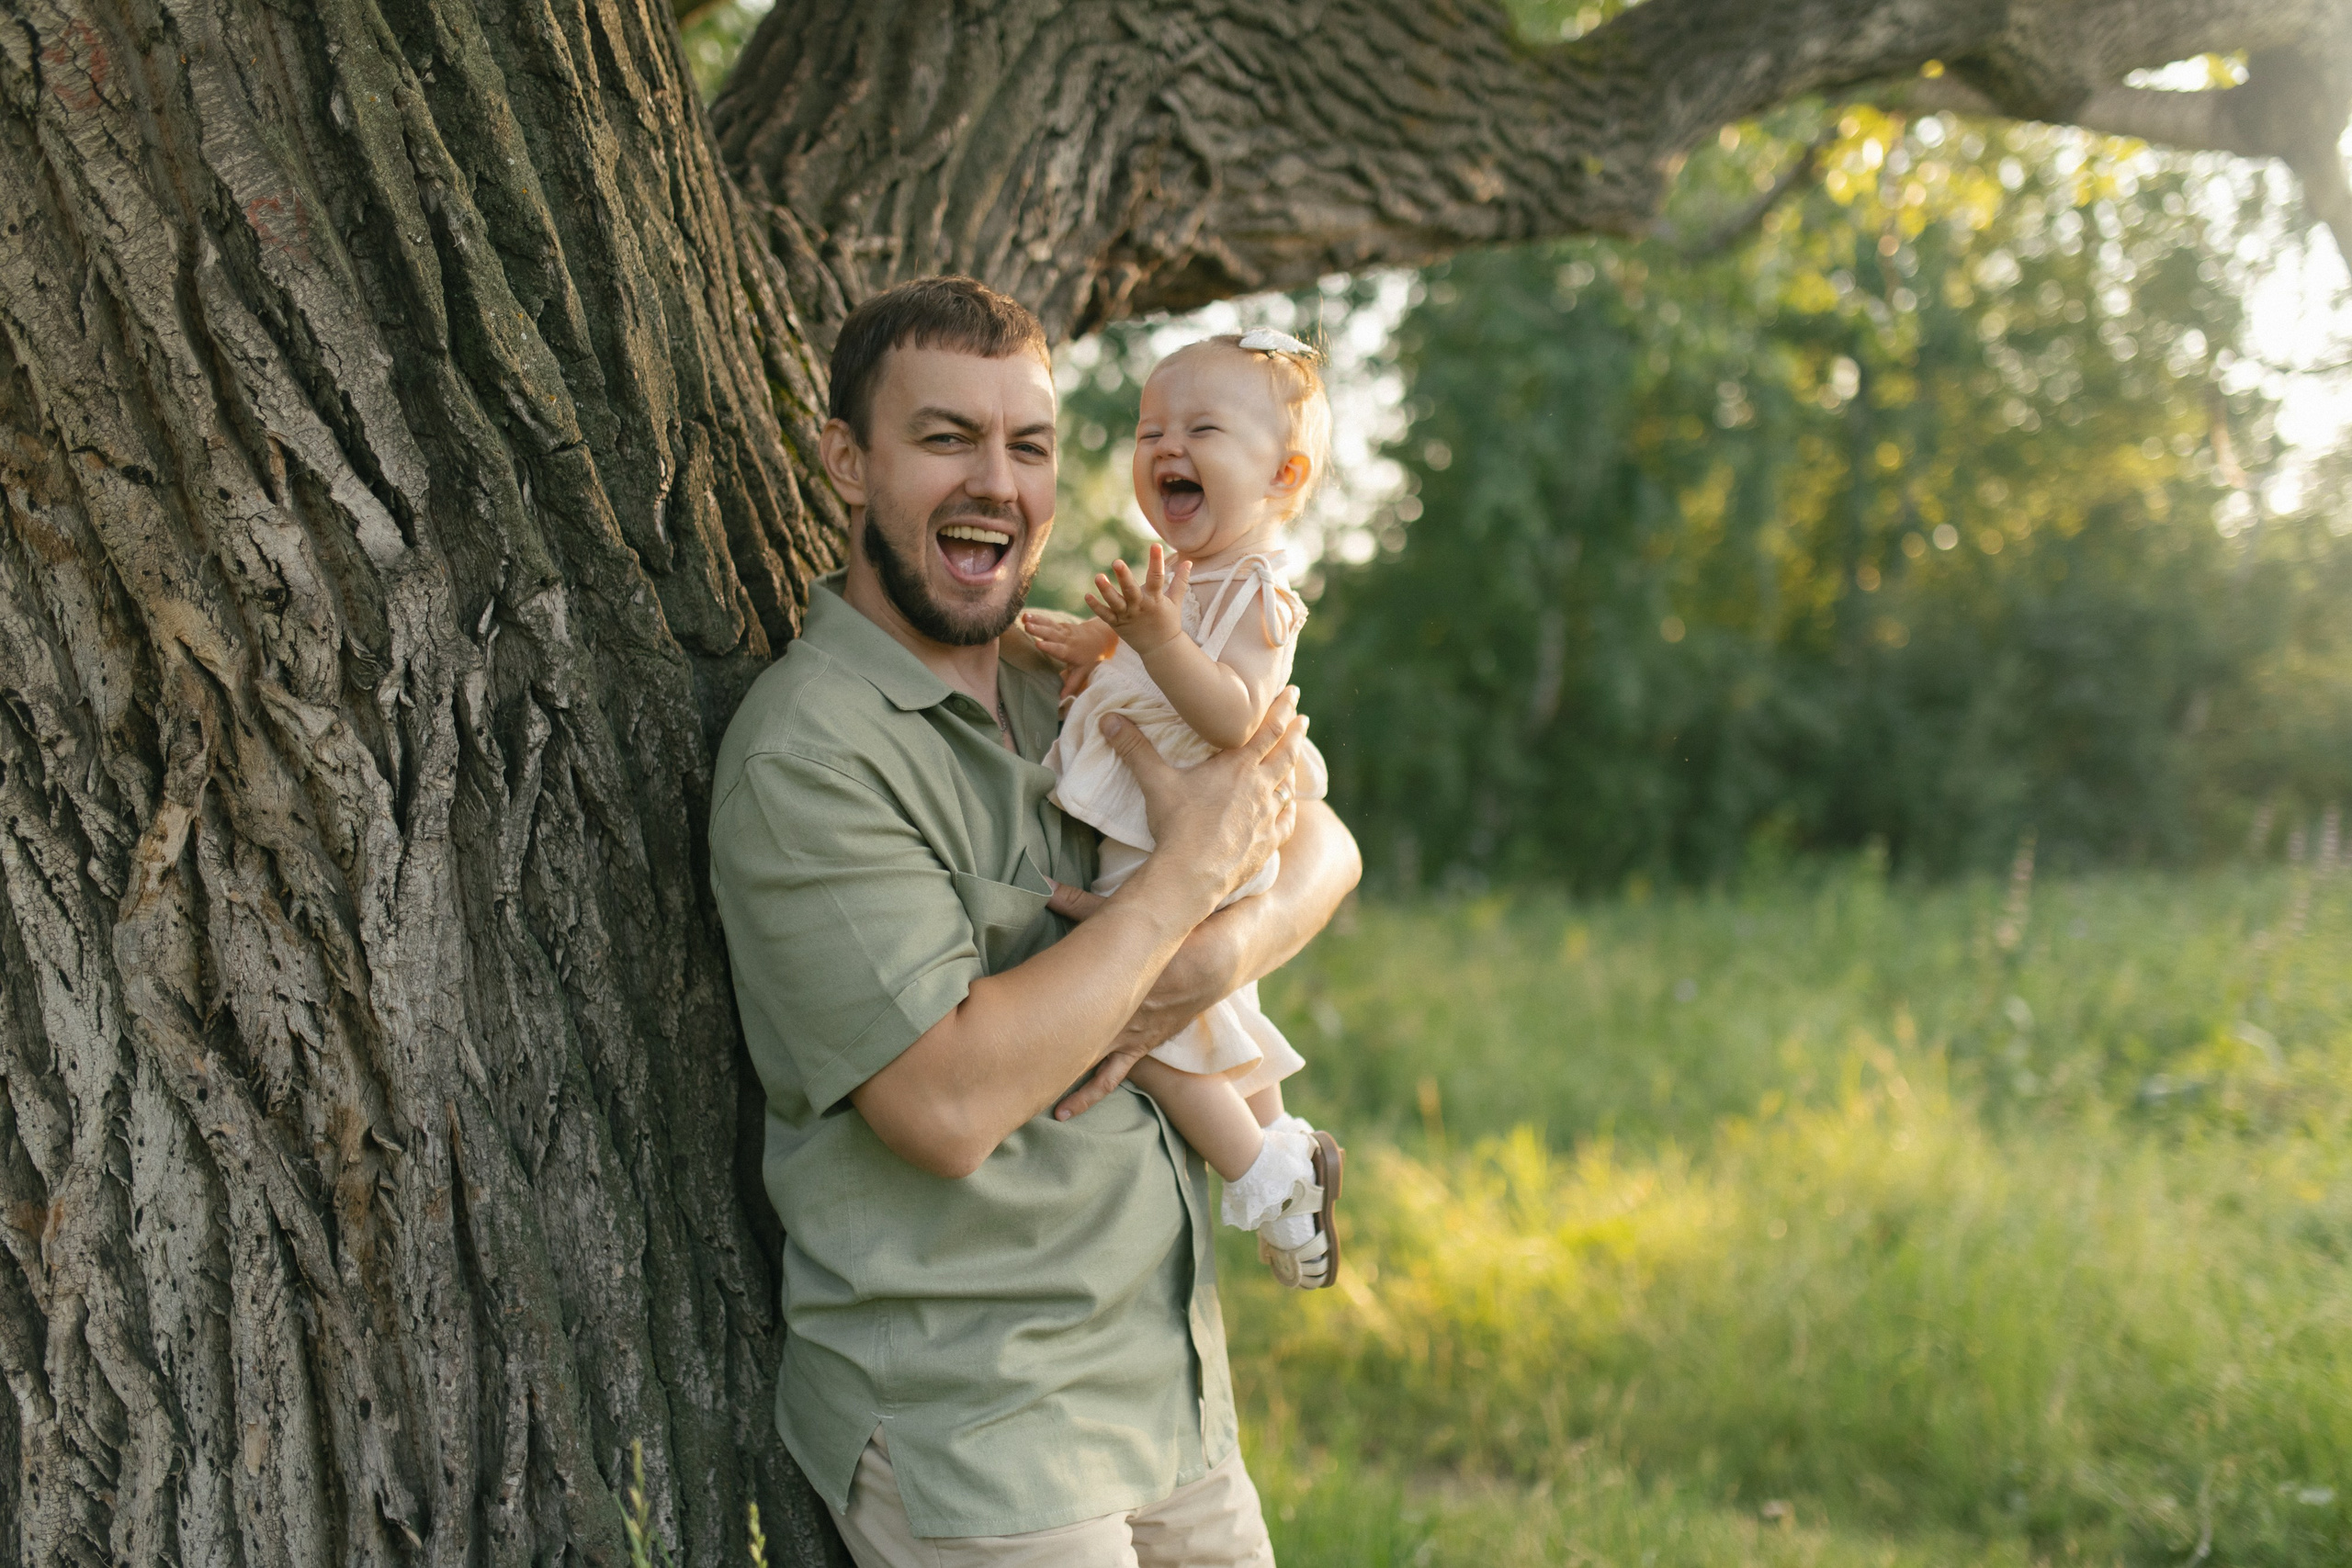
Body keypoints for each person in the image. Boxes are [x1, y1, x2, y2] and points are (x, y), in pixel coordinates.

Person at [708, 276, 1361, 1567]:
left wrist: (1204, 956)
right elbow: (944, 1107)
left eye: (1030, 445)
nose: (995, 483)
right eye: (946, 437)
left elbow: (1321, 842)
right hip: (980, 1423)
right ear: (849, 459)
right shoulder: (811, 754)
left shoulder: (1079, 670)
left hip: (1164, 1387)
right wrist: (1181, 883)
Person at [1023, 330, 1345, 1289]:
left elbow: (1231, 712)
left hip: (1186, 837)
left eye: (1201, 427)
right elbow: (1151, 669)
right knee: (1211, 1004)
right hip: (1166, 828)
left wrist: (1156, 642)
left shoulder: (1255, 589)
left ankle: (1266, 1173)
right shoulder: (1182, 581)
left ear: (1282, 476)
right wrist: (1105, 641)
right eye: (1149, 427)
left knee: (1139, 1014)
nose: (1165, 445)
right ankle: (1288, 1146)